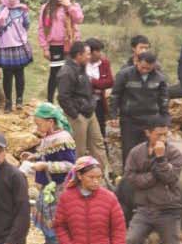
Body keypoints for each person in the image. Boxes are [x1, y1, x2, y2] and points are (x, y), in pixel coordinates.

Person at [120, 117, 182, 244]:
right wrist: (152, 178)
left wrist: (161, 158)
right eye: (159, 134)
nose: (163, 138)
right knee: (130, 240)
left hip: (168, 210)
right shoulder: (136, 153)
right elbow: (130, 177)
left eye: (166, 134)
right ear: (148, 133)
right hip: (144, 208)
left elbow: (171, 178)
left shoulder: (175, 154)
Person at [21, 103, 76, 244]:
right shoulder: (50, 136)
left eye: (39, 124)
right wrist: (34, 157)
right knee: (42, 209)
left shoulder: (63, 139)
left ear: (50, 122)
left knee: (53, 214)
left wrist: (45, 166)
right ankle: (51, 242)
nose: (37, 128)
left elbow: (70, 165)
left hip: (58, 185)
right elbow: (48, 154)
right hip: (49, 184)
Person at [55, 41, 108, 179]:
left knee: (98, 144)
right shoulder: (66, 72)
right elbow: (63, 97)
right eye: (87, 54)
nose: (89, 57)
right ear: (79, 55)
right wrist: (75, 115)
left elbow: (87, 90)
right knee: (79, 149)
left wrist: (91, 106)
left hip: (90, 113)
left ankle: (103, 177)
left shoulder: (82, 68)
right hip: (78, 116)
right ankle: (76, 179)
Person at [112, 51, 169, 168]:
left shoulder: (159, 78)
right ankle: (128, 177)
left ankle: (147, 174)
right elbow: (115, 95)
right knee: (129, 150)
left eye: (148, 68)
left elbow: (164, 100)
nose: (145, 70)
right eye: (142, 67)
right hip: (129, 119)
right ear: (137, 62)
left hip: (151, 120)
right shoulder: (124, 75)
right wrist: (113, 115)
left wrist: (165, 120)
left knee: (149, 149)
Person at [38, 0, 82, 103]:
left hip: (71, 45)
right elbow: (41, 28)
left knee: (70, 73)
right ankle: (50, 101)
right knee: (55, 74)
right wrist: (45, 48)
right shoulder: (46, 8)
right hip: (55, 45)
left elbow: (79, 19)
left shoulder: (73, 5)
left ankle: (69, 101)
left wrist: (69, 6)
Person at [0, 0, 32, 112]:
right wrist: (0, 24)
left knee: (20, 74)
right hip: (5, 47)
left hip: (19, 45)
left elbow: (27, 24)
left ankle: (19, 100)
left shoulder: (22, 9)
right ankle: (8, 102)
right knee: (7, 75)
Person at [85, 38, 113, 137]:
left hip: (99, 102)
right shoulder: (82, 64)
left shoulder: (104, 63)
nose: (100, 54)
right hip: (83, 103)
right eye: (98, 51)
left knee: (100, 129)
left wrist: (92, 81)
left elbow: (109, 82)